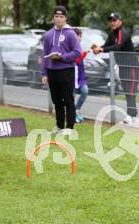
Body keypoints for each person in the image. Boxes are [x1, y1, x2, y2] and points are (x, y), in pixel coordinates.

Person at [91, 12, 139, 124]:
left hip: (131, 66)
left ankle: (131, 115)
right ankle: (133, 116)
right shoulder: (112, 33)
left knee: (131, 91)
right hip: (122, 66)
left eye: (114, 20)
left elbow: (118, 46)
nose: (112, 22)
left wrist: (102, 50)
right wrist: (99, 48)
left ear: (120, 21)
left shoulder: (124, 32)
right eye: (111, 20)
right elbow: (107, 45)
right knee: (127, 92)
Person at [42, 5, 81, 135]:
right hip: (52, 72)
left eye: (61, 17)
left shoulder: (71, 33)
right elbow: (45, 55)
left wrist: (62, 57)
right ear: (53, 17)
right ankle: (59, 126)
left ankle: (69, 128)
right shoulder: (48, 34)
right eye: (56, 16)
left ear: (65, 18)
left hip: (66, 71)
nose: (58, 19)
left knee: (68, 100)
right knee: (57, 101)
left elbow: (77, 52)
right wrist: (44, 73)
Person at [73, 28, 89, 123]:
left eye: (80, 36)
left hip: (80, 79)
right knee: (72, 96)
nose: (79, 38)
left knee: (85, 91)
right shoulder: (71, 47)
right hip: (71, 78)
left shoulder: (80, 47)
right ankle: (73, 115)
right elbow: (75, 61)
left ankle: (76, 109)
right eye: (77, 35)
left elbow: (80, 63)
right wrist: (83, 54)